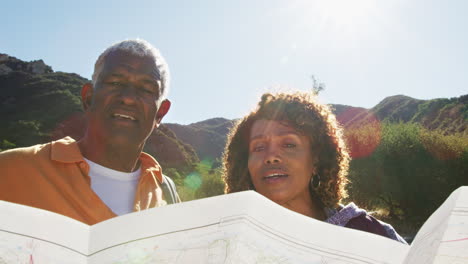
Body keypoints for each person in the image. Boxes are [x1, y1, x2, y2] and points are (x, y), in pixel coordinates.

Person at [0, 39, 180, 225]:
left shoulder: (166, 194)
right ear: (88, 97)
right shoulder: (11, 170)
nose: (127, 98)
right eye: (115, 82)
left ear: (160, 113)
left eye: (146, 89)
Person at [222, 91, 407, 243]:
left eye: (288, 144)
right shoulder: (228, 243)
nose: (271, 157)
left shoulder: (371, 234)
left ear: (317, 157)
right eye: (259, 147)